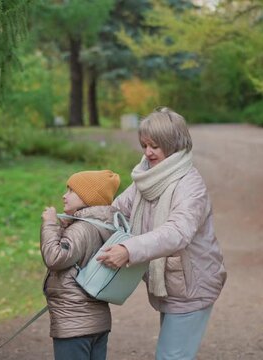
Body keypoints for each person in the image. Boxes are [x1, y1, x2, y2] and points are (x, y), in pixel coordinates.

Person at [97, 107, 227, 360]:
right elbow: (117, 211)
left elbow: (177, 232)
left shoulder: (190, 186)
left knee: (171, 357)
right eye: (144, 145)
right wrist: (80, 217)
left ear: (173, 144)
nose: (147, 152)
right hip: (172, 284)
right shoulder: (147, 178)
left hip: (192, 286)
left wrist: (129, 249)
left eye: (155, 146)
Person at [41, 169, 121, 360]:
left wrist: (50, 224)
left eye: (71, 191)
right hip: (97, 321)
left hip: (74, 322)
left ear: (88, 197)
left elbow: (55, 257)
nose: (64, 195)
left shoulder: (82, 228)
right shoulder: (105, 226)